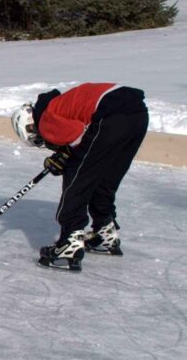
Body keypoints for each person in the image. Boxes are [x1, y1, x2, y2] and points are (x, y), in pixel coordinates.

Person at [11, 83, 148, 272]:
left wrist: (65, 160)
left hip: (110, 115)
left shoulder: (44, 117)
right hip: (137, 114)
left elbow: (76, 140)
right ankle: (104, 233)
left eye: (36, 138)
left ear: (29, 125)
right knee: (104, 178)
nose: (42, 140)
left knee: (77, 177)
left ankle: (69, 244)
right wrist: (64, 155)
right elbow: (80, 138)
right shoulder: (56, 106)